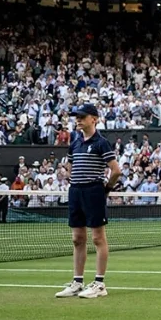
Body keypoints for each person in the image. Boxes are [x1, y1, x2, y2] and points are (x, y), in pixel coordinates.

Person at [54, 104, 121, 299]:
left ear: (94, 119)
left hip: (93, 191)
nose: (78, 119)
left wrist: (106, 189)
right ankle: (77, 282)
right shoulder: (75, 143)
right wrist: (69, 175)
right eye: (77, 117)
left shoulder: (101, 143)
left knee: (98, 238)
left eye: (82, 116)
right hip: (76, 191)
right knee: (77, 238)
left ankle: (99, 284)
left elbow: (116, 171)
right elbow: (69, 164)